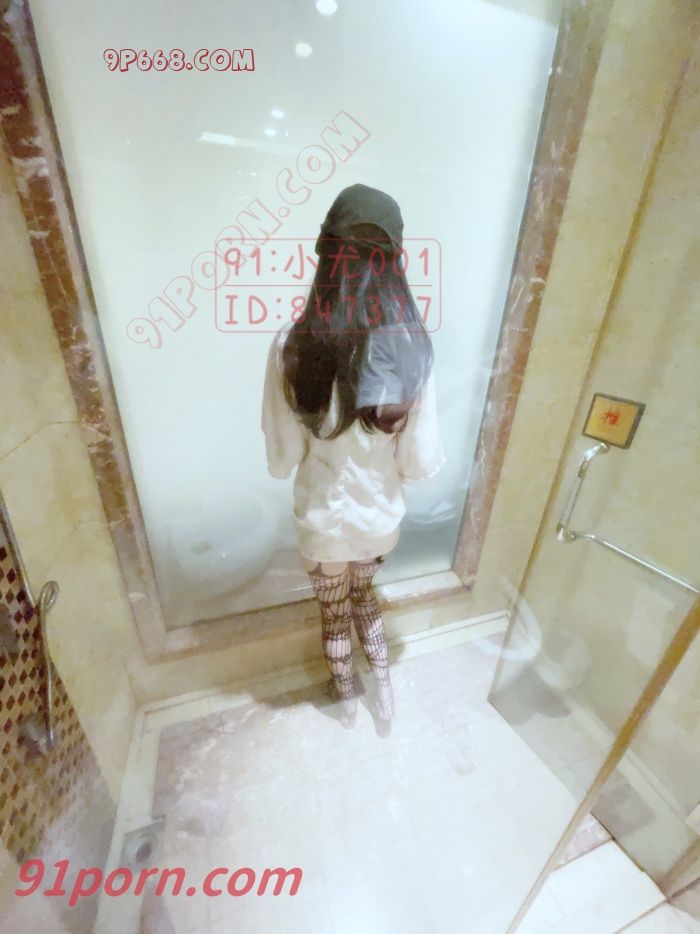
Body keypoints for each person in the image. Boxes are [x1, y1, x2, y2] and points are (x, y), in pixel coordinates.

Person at [261, 183, 445, 733]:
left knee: (334, 613)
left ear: (327, 256)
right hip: (379, 520)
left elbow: (282, 456)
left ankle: (346, 698)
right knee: (366, 596)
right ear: (395, 262)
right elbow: (417, 462)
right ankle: (384, 694)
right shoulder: (412, 346)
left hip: (322, 522)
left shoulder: (292, 345)